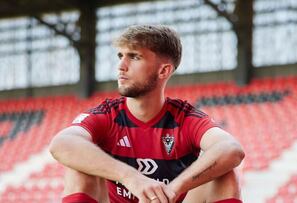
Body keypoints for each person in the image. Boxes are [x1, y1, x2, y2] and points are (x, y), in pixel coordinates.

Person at [50, 24, 245, 203]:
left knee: (226, 173)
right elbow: (61, 144)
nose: (121, 66)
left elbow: (231, 149)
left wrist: (172, 190)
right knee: (78, 168)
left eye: (134, 57)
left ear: (163, 71)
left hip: (170, 200)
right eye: (120, 56)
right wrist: (132, 177)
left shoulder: (185, 117)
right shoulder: (108, 114)